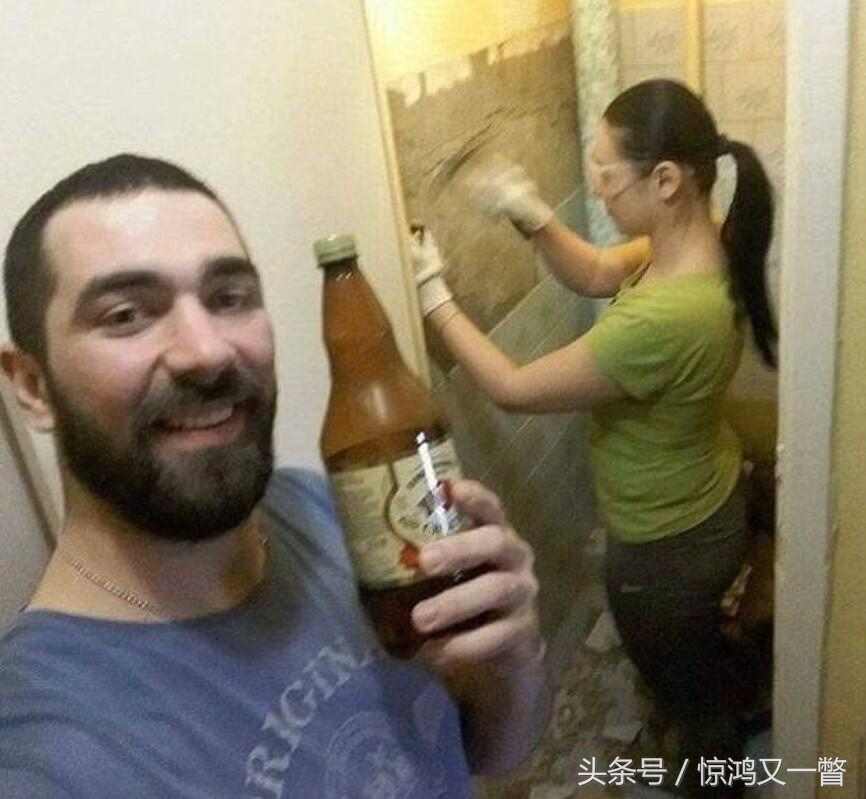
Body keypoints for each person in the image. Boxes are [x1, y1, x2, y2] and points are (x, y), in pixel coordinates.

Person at [0, 154, 550, 798]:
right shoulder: (49, 747)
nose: (207, 352)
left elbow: (491, 752)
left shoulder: (330, 514)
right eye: (126, 314)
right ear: (33, 387)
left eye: (228, 298)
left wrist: (513, 662)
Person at [411, 79, 777, 795]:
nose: (600, 191)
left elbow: (512, 386)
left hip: (665, 547)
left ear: (665, 180)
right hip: (708, 501)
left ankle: (715, 773)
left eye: (607, 174)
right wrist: (532, 215)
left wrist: (430, 291)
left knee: (687, 699)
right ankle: (711, 692)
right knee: (691, 660)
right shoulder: (704, 244)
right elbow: (601, 269)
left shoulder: (664, 320)